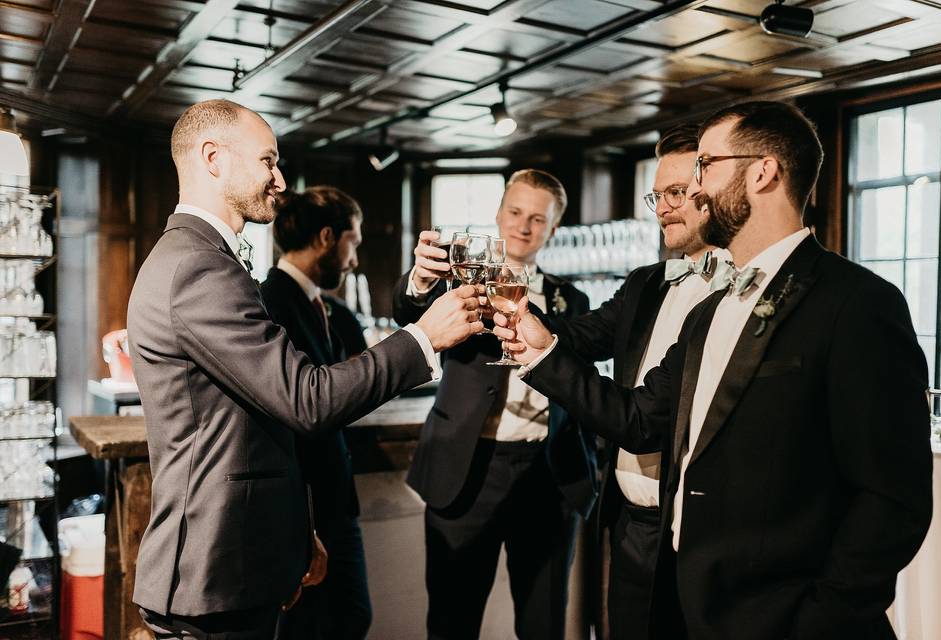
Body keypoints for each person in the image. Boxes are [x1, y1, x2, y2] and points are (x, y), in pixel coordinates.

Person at [497, 101, 932, 640]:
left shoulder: (858, 303)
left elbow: (893, 499)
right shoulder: (710, 311)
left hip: (789, 616)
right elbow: (642, 418)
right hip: (693, 596)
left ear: (762, 171)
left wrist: (823, 616)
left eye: (706, 166)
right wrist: (539, 347)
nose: (694, 190)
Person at [127, 99, 483, 639]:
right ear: (212, 158)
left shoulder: (202, 259)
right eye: (268, 161)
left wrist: (295, 530)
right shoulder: (198, 266)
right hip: (213, 568)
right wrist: (423, 337)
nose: (280, 178)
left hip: (241, 556)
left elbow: (254, 423)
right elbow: (306, 399)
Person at [535, 123, 724, 640]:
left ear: (715, 194)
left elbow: (643, 418)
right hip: (630, 526)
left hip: (694, 532)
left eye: (677, 194)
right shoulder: (646, 281)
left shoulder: (736, 294)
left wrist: (539, 352)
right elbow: (578, 335)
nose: (662, 208)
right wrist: (510, 312)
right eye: (657, 195)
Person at [392, 169, 594, 640]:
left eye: (538, 219)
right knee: (452, 621)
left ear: (552, 229)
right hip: (467, 469)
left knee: (544, 622)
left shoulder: (573, 300)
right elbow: (407, 309)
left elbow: (579, 381)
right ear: (499, 213)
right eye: (516, 212)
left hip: (549, 474)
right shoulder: (465, 285)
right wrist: (422, 278)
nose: (523, 227)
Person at [259, 186, 373, 639]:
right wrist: (302, 524)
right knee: (309, 629)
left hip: (335, 499)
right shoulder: (271, 303)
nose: (355, 259)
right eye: (354, 243)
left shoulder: (330, 309)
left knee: (350, 619)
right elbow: (290, 412)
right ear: (328, 236)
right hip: (304, 506)